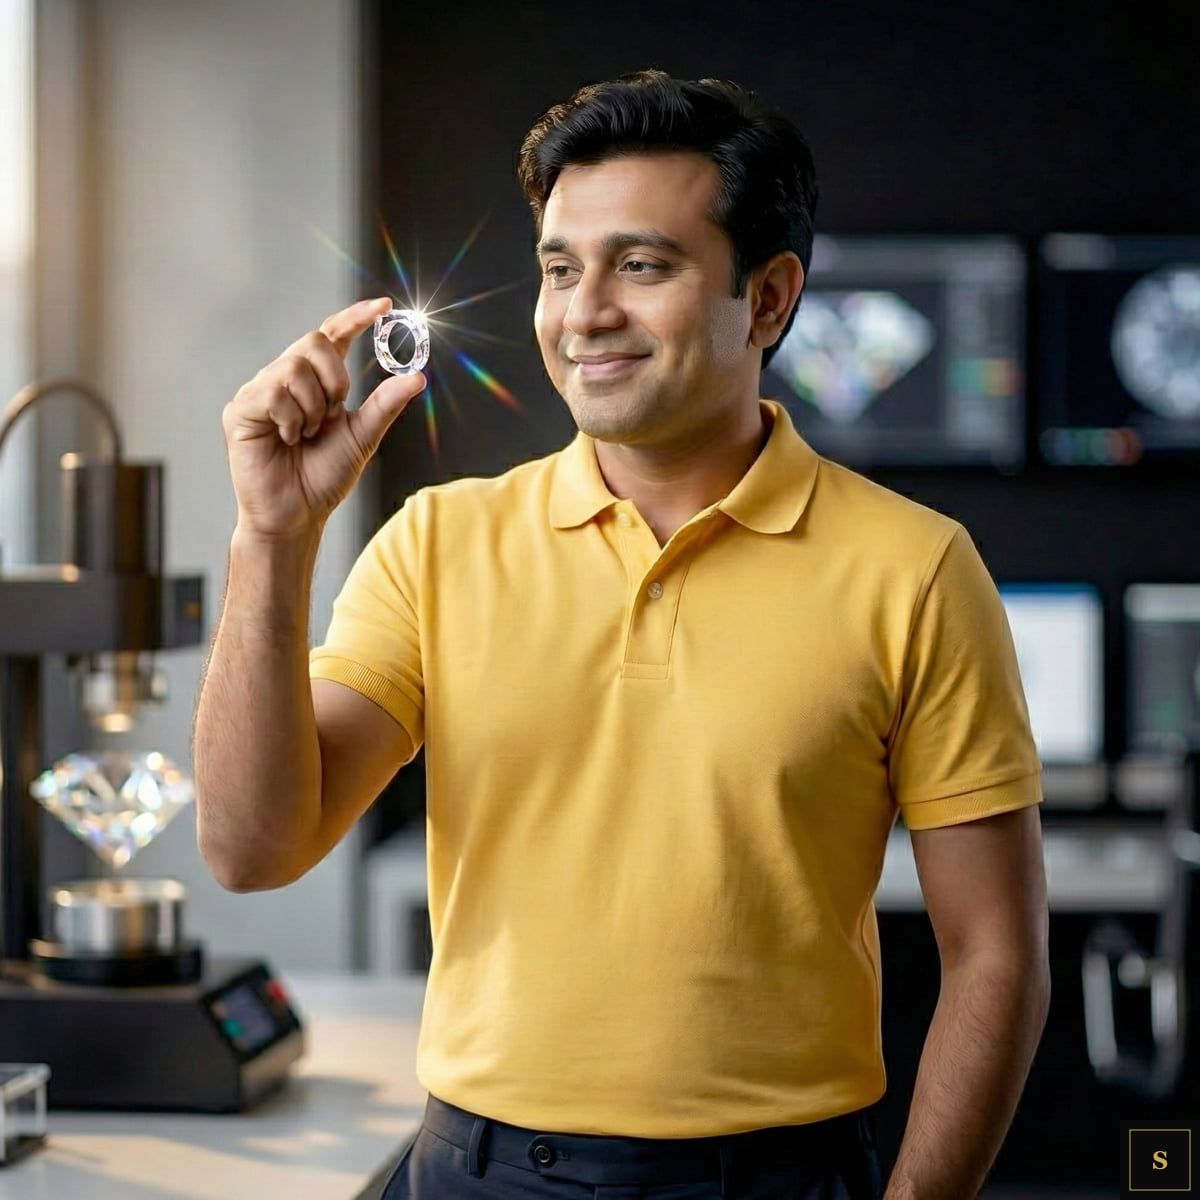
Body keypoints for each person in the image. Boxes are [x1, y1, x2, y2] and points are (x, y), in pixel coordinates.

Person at [193, 69, 1050, 1200]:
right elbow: (251, 850)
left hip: (778, 1181)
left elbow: (995, 958)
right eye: (561, 269)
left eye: (642, 266)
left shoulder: (917, 568)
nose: (584, 312)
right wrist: (271, 536)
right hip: (480, 1174)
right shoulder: (437, 542)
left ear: (769, 298)